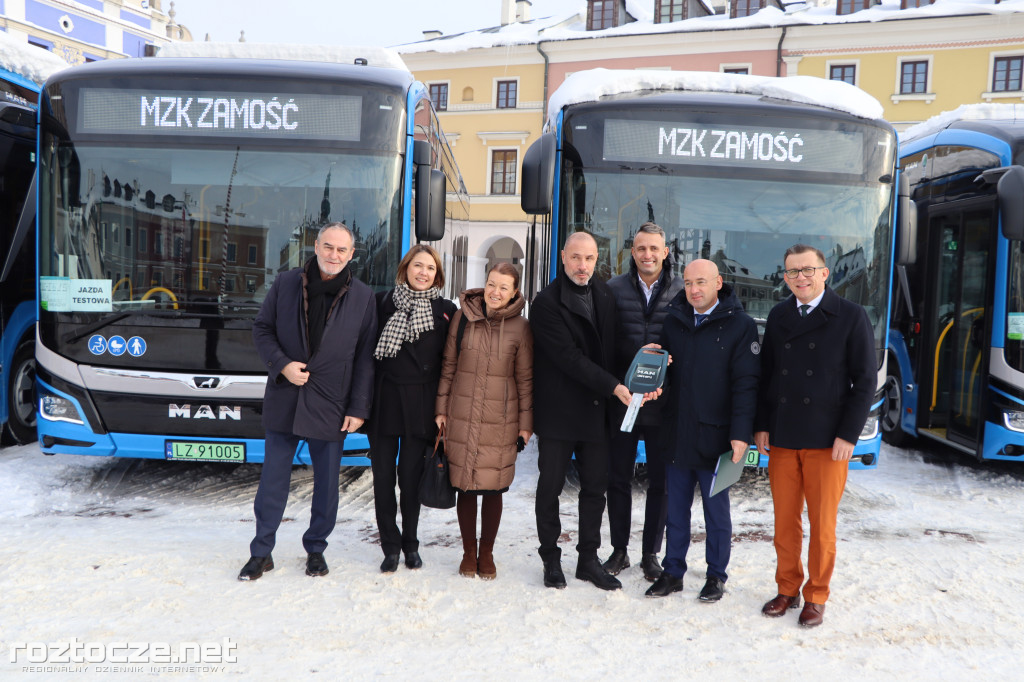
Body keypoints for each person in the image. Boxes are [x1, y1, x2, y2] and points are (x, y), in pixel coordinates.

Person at [239, 222, 376, 581]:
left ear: (352, 255)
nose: (334, 255)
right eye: (328, 247)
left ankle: (316, 549)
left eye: (341, 250)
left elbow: (365, 356)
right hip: (286, 397)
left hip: (332, 402)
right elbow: (262, 329)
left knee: (327, 484)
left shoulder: (363, 297)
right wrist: (282, 365)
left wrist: (358, 408)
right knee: (272, 481)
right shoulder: (285, 284)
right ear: (315, 247)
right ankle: (261, 552)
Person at [754, 244, 875, 627]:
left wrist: (848, 434)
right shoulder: (778, 315)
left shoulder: (851, 316)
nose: (800, 278)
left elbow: (865, 381)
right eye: (792, 272)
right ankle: (787, 588)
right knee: (784, 521)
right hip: (785, 436)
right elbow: (766, 376)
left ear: (825, 273)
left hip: (828, 440)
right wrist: (761, 424)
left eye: (807, 270)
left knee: (823, 524)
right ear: (785, 278)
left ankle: (817, 595)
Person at [644, 259, 759, 602]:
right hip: (677, 433)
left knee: (716, 513)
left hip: (717, 438)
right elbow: (666, 370)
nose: (694, 290)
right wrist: (652, 361)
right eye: (689, 283)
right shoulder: (676, 320)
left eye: (702, 283)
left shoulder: (740, 325)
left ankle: (715, 576)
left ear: (719, 283)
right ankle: (673, 571)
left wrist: (741, 434)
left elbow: (746, 384)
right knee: (676, 510)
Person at [531, 231, 635, 591]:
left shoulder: (604, 293)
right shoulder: (545, 302)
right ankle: (550, 558)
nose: (582, 265)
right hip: (560, 412)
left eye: (589, 258)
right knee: (550, 489)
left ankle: (588, 560)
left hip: (596, 411)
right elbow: (568, 359)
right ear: (563, 257)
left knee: (595, 489)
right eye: (576, 257)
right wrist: (613, 386)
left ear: (597, 259)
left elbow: (616, 348)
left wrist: (643, 363)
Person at [435, 263, 533, 580]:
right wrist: (441, 409)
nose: (495, 292)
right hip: (461, 412)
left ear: (514, 292)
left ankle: (486, 553)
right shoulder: (463, 318)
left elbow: (526, 379)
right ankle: (467, 553)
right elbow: (448, 365)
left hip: (500, 418)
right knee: (464, 485)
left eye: (503, 287)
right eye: (492, 284)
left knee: (493, 488)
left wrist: (525, 423)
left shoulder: (521, 327)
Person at [368, 245, 457, 573]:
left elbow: (450, 364)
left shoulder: (446, 310)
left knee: (410, 478)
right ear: (405, 268)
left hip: (422, 405)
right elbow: (366, 355)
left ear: (437, 275)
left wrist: (445, 408)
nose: (423, 272)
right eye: (418, 266)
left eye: (430, 268)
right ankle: (389, 547)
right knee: (382, 480)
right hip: (385, 401)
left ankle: (411, 544)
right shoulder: (382, 302)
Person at [603, 222, 684, 582]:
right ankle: (619, 550)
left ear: (665, 252)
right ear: (631, 252)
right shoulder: (612, 290)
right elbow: (602, 345)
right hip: (623, 401)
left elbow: (690, 344)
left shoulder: (684, 290)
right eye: (640, 249)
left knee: (660, 482)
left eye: (654, 248)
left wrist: (671, 366)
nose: (647, 255)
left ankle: (651, 553)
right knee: (617, 478)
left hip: (664, 405)